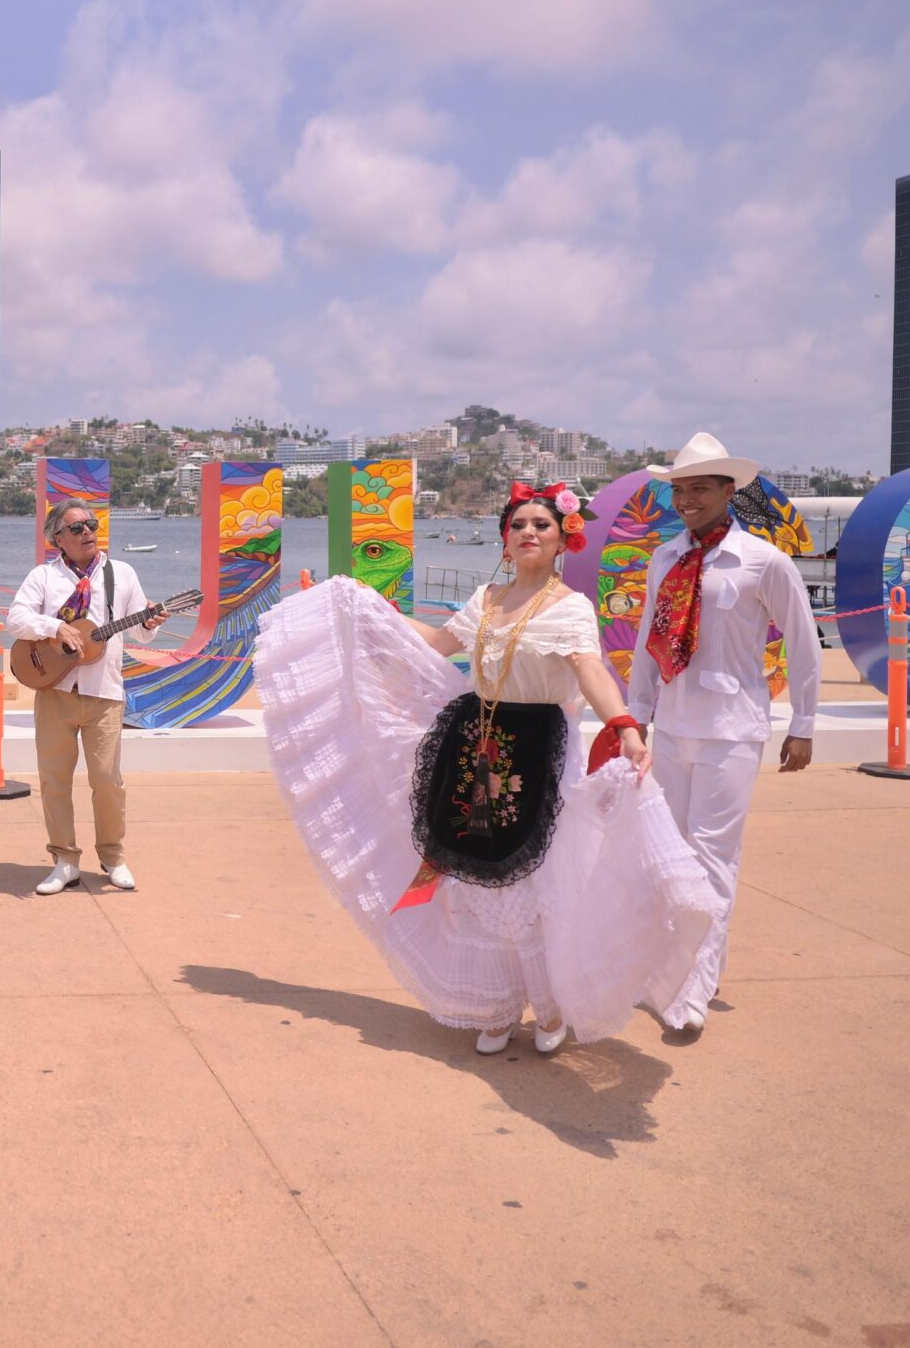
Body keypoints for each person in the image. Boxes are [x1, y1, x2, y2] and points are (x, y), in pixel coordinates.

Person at [255, 483, 719, 1053]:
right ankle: (495, 1007)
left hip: (543, 747)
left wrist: (623, 726)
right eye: (518, 523)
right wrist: (359, 613)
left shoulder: (570, 607)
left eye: (541, 525)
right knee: (477, 879)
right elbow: (434, 643)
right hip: (478, 744)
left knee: (538, 877)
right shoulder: (486, 598)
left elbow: (589, 669)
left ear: (560, 541)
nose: (528, 532)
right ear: (505, 537)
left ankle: (549, 1008)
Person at [625, 433, 823, 1034]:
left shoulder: (764, 561)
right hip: (674, 725)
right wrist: (635, 715)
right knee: (670, 854)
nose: (687, 500)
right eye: (680, 489)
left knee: (712, 857)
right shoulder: (666, 557)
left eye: (700, 489)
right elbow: (647, 644)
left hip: (733, 727)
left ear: (727, 492)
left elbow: (802, 643)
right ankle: (671, 967)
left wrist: (804, 724)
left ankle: (694, 986)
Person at [5, 501, 166, 894]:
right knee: (55, 780)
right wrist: (55, 627)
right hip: (55, 689)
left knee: (108, 780)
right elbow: (15, 619)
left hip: (105, 693)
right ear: (57, 538)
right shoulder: (44, 576)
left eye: (91, 525)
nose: (87, 533)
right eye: (76, 529)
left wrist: (150, 621)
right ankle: (64, 859)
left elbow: (142, 635)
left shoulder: (121, 573)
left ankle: (113, 857)